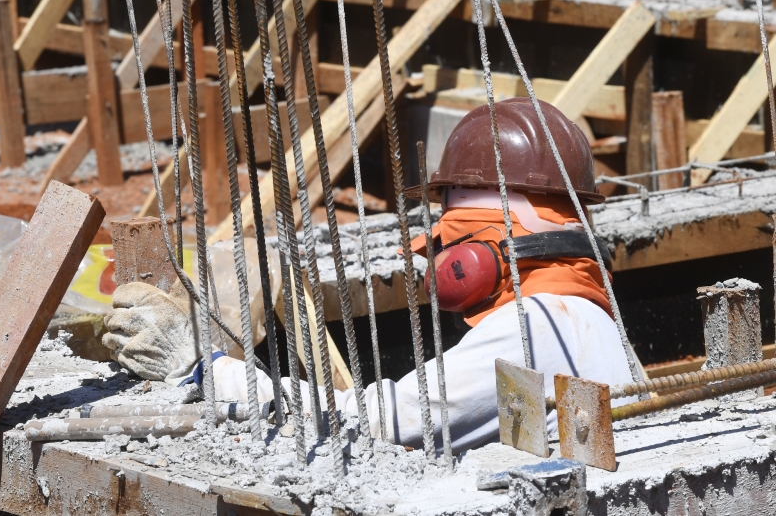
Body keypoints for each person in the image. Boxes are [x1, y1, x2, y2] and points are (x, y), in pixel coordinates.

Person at [103, 98, 641, 454]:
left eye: (448, 245)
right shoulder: (589, 318)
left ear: (476, 258)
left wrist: (207, 371)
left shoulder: (534, 327)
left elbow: (380, 421)